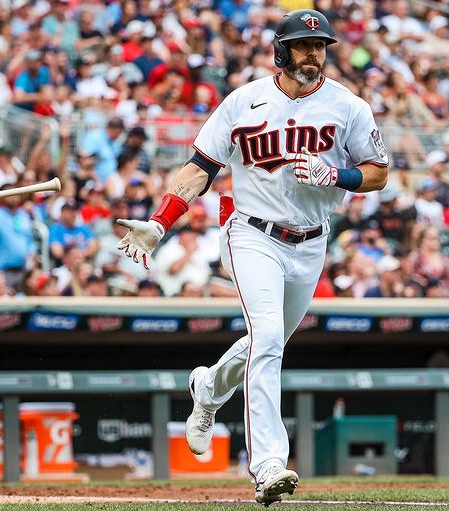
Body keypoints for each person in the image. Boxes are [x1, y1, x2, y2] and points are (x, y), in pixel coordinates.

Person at [115, 9, 389, 505]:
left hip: (312, 240)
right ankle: (267, 466)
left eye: (321, 46)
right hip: (251, 233)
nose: (314, 54)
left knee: (269, 341)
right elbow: (201, 166)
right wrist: (159, 222)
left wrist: (338, 177)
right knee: (267, 337)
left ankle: (208, 389)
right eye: (304, 46)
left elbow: (377, 172)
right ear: (281, 51)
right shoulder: (244, 101)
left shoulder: (348, 106)